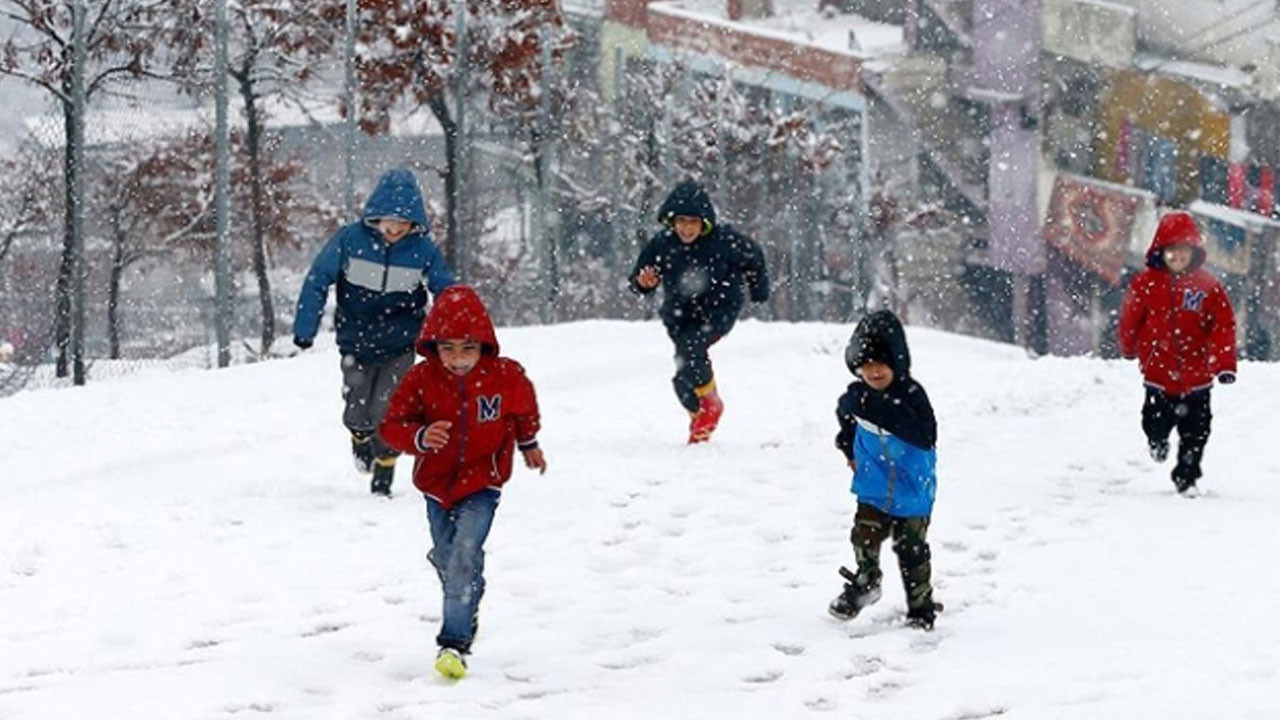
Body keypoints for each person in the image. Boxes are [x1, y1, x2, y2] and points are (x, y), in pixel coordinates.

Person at [378, 285, 546, 680]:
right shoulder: (421, 379)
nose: (457, 359)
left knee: (463, 554)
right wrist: (419, 437)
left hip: (483, 480)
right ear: (433, 346)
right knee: (447, 556)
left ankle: (454, 643)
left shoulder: (505, 376)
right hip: (436, 484)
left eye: (468, 349)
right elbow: (392, 425)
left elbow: (523, 409)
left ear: (484, 346)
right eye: (448, 349)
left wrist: (529, 443)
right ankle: (466, 588)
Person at [293, 169, 455, 496]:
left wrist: (455, 332)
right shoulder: (350, 241)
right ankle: (359, 436)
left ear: (415, 223)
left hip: (400, 343)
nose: (395, 229)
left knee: (390, 408)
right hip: (355, 339)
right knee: (358, 407)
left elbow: (447, 290)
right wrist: (304, 328)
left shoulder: (422, 250)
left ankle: (385, 466)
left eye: (404, 223)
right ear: (375, 217)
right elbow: (317, 280)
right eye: (388, 222)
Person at [628, 180, 770, 443]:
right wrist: (642, 283)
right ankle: (699, 414)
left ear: (704, 223)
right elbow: (639, 277)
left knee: (692, 351)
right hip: (680, 314)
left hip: (718, 311)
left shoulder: (724, 241)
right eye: (681, 221)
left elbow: (755, 258)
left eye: (693, 222)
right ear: (672, 222)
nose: (686, 228)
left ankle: (711, 405)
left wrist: (758, 290)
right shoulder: (662, 244)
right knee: (682, 377)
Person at [828, 309, 941, 630]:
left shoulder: (911, 396)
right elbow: (846, 420)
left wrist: (879, 409)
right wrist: (848, 448)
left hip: (912, 486)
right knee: (863, 535)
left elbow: (925, 435)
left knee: (912, 550)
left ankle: (921, 607)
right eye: (866, 365)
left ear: (896, 363)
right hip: (873, 484)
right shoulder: (855, 397)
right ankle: (866, 583)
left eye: (881, 364)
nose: (873, 371)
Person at [1118, 210, 1237, 495]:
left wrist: (1224, 364)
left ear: (1193, 252)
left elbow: (1223, 326)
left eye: (1183, 251)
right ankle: (1157, 441)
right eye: (1171, 251)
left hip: (1198, 377)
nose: (1177, 257)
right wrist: (1128, 346)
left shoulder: (1208, 287)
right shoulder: (1145, 284)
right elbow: (1131, 318)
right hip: (1158, 373)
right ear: (1161, 252)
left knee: (1196, 432)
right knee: (1155, 421)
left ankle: (1187, 477)